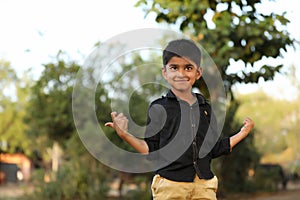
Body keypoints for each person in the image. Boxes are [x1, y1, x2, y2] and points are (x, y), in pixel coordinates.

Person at [105, 39, 254, 200]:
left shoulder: (205, 109)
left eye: (188, 68)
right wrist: (125, 135)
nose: (181, 74)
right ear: (165, 72)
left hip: (204, 186)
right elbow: (151, 150)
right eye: (174, 68)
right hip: (170, 186)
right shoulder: (158, 108)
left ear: (198, 73)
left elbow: (213, 148)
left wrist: (242, 133)